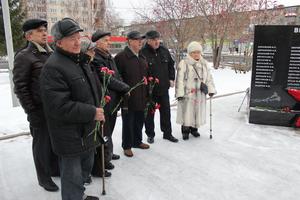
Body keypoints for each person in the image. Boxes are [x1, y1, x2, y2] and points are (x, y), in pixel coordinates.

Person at [40, 18, 104, 200]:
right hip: (69, 135)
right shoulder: (53, 68)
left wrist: (98, 107)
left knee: (83, 172)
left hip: (86, 130)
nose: (78, 42)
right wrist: (92, 112)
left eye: (78, 37)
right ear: (59, 42)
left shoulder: (80, 61)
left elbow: (89, 92)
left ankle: (79, 196)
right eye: (72, 38)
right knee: (72, 176)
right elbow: (58, 107)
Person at [13, 19, 59, 192]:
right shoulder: (24, 56)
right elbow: (20, 87)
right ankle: (44, 177)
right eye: (40, 31)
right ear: (29, 35)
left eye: (45, 30)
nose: (44, 33)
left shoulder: (50, 52)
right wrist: (31, 110)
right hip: (39, 110)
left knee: (54, 141)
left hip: (55, 108)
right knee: (42, 145)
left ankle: (54, 170)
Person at [90, 30, 130, 176]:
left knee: (110, 130)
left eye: (109, 40)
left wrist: (123, 85)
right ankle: (103, 161)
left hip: (113, 100)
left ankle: (108, 153)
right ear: (98, 42)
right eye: (106, 40)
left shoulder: (108, 56)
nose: (109, 43)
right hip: (104, 100)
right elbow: (106, 78)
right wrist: (124, 87)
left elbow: (117, 75)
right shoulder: (96, 58)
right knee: (104, 132)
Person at [114, 31, 150, 157]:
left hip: (142, 95)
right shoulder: (121, 57)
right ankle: (127, 145)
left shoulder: (142, 57)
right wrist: (124, 90)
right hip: (128, 96)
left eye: (141, 39)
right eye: (137, 39)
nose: (140, 41)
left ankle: (137, 141)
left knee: (139, 120)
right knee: (128, 122)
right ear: (129, 41)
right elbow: (116, 77)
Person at [142, 30, 178, 144]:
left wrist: (171, 78)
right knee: (150, 114)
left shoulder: (164, 50)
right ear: (148, 41)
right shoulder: (143, 53)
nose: (157, 41)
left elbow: (171, 66)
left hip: (163, 88)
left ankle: (167, 133)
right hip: (150, 91)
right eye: (154, 40)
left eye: (158, 39)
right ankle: (150, 134)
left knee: (166, 112)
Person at [175, 41, 216, 140]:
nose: (196, 54)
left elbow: (209, 78)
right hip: (188, 94)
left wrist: (211, 89)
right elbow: (179, 80)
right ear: (189, 53)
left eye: (198, 52)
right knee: (187, 112)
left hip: (200, 93)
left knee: (197, 112)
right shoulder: (184, 63)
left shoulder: (204, 63)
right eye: (194, 52)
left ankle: (194, 129)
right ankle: (185, 130)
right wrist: (179, 93)